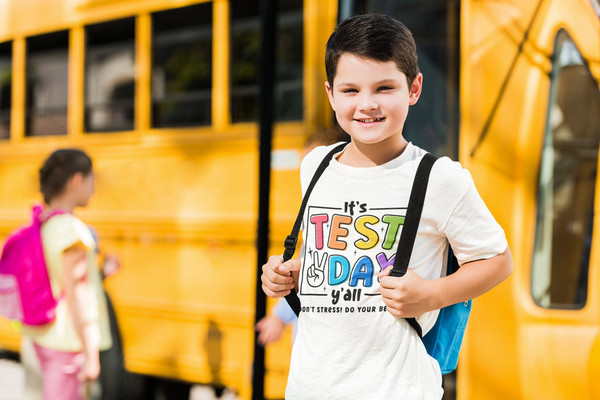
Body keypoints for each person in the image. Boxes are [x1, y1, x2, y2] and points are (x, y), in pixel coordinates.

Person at [260, 13, 513, 399]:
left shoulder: (439, 177)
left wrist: (432, 295)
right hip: (309, 386)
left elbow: (497, 261)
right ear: (330, 94)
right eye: (350, 91)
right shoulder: (316, 165)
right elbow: (323, 254)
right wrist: (287, 272)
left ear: (414, 89)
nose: (367, 104)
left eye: (384, 88)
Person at [22, 149, 113, 400]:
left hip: (43, 335)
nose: (93, 190)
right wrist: (91, 355)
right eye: (91, 181)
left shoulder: (45, 222)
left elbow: (57, 277)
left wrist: (100, 273)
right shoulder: (72, 231)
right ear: (76, 181)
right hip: (67, 342)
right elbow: (77, 295)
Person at [256, 127, 350, 346]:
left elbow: (313, 273)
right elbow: (305, 269)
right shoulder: (318, 213)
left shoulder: (337, 217)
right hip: (309, 345)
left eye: (316, 169)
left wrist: (280, 317)